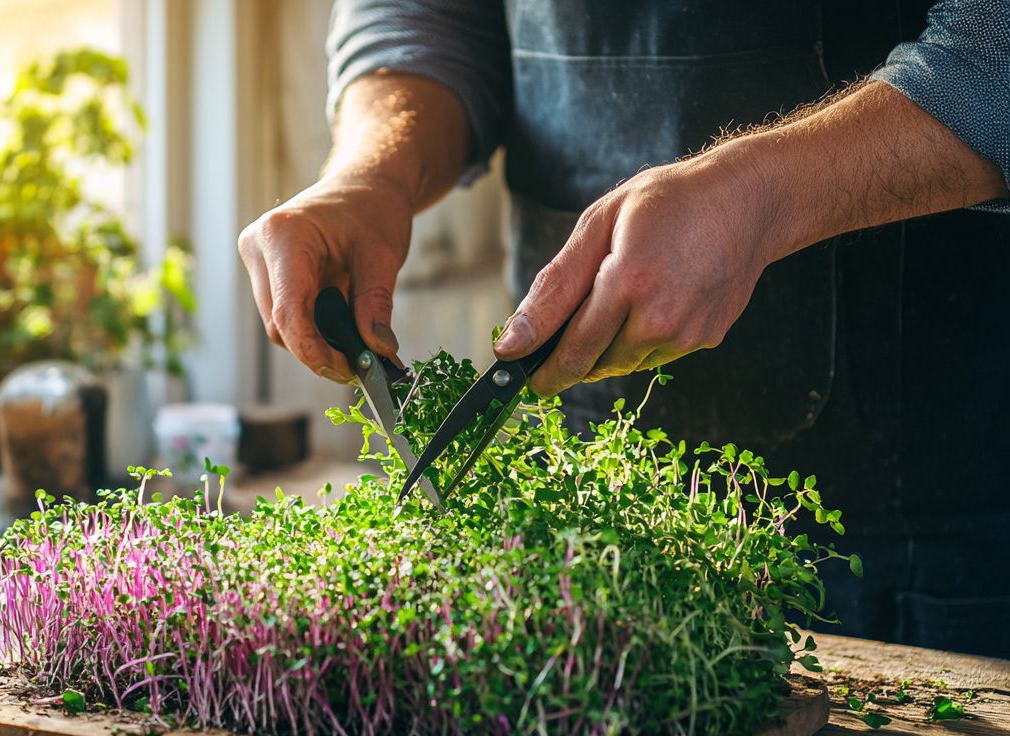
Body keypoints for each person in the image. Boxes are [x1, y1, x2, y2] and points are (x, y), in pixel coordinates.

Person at [238, 1, 1010, 658]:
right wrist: (371, 173)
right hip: (580, 499)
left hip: (926, 523)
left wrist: (764, 194)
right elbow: (424, 14)